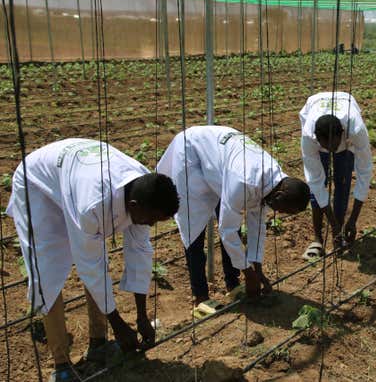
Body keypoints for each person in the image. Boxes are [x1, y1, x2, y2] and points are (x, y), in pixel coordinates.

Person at [6, 138, 179, 382]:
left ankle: (98, 342)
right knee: (47, 270)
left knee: (98, 262)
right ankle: (61, 365)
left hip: (74, 174)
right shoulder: (92, 205)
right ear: (133, 205)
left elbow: (140, 252)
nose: (151, 225)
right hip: (37, 186)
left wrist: (141, 315)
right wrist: (119, 324)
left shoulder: (145, 190)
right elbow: (90, 265)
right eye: (151, 220)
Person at [157, 126, 309, 307]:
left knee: (230, 221)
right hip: (192, 152)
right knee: (194, 226)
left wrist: (256, 270)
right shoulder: (244, 181)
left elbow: (257, 225)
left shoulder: (274, 183)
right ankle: (201, 297)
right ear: (279, 197)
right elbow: (226, 229)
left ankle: (233, 284)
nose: (280, 213)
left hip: (222, 161)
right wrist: (248, 272)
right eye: (284, 210)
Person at [299, 91, 373, 259]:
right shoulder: (308, 136)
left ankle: (339, 235)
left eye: (334, 144)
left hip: (345, 114)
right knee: (318, 184)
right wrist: (331, 223)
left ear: (342, 134)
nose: (331, 149)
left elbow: (364, 171)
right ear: (317, 139)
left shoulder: (356, 130)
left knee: (343, 181)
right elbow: (315, 181)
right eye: (326, 145)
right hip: (316, 106)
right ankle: (317, 239)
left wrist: (353, 219)